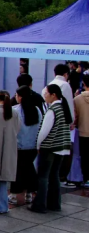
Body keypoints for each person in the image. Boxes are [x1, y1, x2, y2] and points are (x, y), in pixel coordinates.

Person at [31, 84, 72, 213]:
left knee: (43, 176)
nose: (44, 95)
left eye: (46, 93)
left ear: (53, 95)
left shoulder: (52, 110)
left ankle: (39, 205)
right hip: (61, 147)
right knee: (54, 175)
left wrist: (38, 145)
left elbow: (44, 132)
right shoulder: (64, 108)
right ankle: (54, 204)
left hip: (49, 147)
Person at [11, 85, 42, 204]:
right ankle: (29, 194)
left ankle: (14, 195)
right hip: (33, 146)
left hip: (19, 146)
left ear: (20, 97)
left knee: (18, 171)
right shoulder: (36, 110)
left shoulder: (15, 110)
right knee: (28, 168)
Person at [75, 75, 89, 187]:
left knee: (84, 156)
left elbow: (75, 118)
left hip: (83, 132)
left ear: (84, 84)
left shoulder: (77, 99)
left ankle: (86, 178)